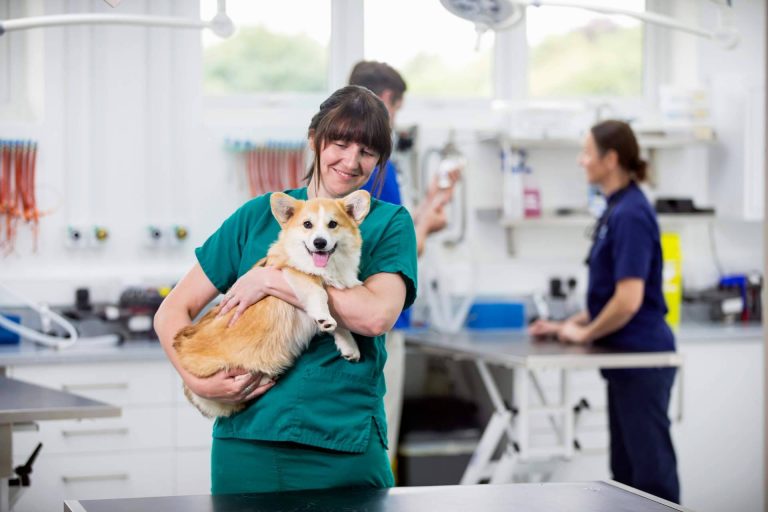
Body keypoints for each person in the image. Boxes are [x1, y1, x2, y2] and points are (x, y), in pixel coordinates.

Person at [154, 85, 418, 494]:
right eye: (341, 143)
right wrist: (198, 381)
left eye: (367, 152)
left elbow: (375, 316)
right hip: (248, 439)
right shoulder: (258, 216)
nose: (351, 161)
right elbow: (171, 312)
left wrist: (272, 279)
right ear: (315, 140)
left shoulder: (388, 223)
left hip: (342, 445)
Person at [528, 120, 680, 504]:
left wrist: (586, 333)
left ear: (610, 159)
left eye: (586, 153)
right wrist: (568, 323)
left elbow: (629, 299)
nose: (581, 162)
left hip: (644, 359)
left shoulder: (631, 214)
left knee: (651, 477)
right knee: (626, 476)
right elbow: (607, 296)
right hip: (626, 361)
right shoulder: (616, 210)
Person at [348, 60, 460, 463]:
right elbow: (395, 254)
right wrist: (428, 225)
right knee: (378, 443)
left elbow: (391, 234)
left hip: (356, 318)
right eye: (396, 110)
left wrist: (430, 207)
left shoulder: (352, 165)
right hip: (377, 321)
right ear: (388, 102)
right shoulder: (376, 164)